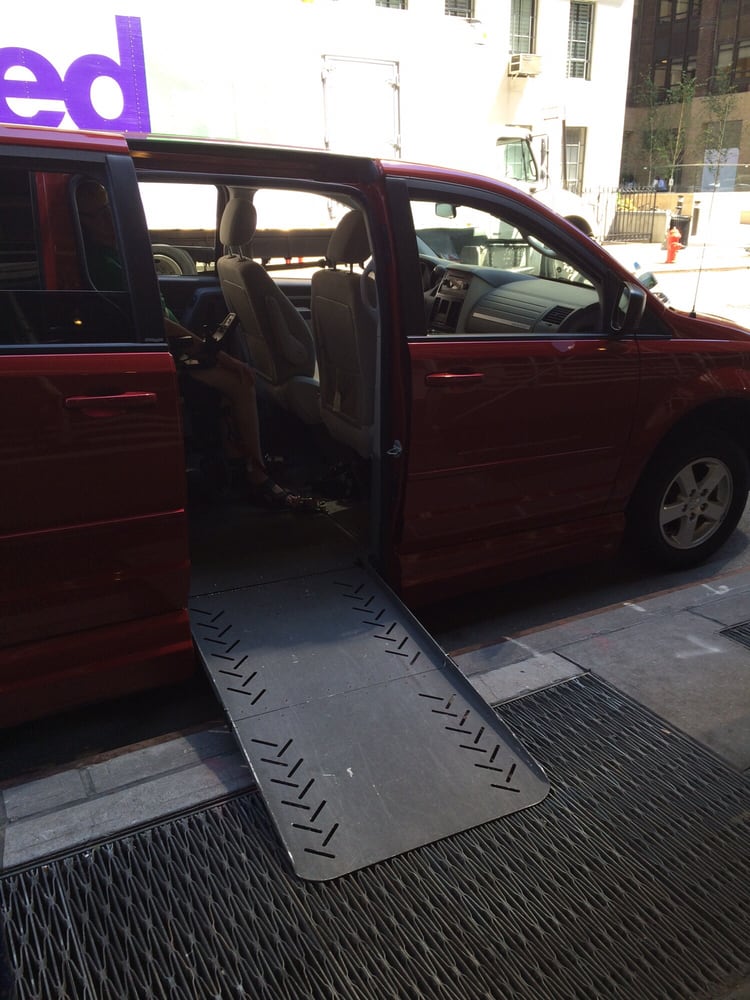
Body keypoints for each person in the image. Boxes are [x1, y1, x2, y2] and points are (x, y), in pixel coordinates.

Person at [76, 180, 318, 511]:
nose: (108, 220)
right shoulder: (102, 266)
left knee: (233, 375)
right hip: (160, 348)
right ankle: (256, 474)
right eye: (96, 215)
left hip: (166, 343)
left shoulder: (114, 255)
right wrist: (207, 349)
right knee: (242, 381)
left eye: (108, 210)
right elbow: (155, 322)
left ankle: (236, 460)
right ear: (81, 223)